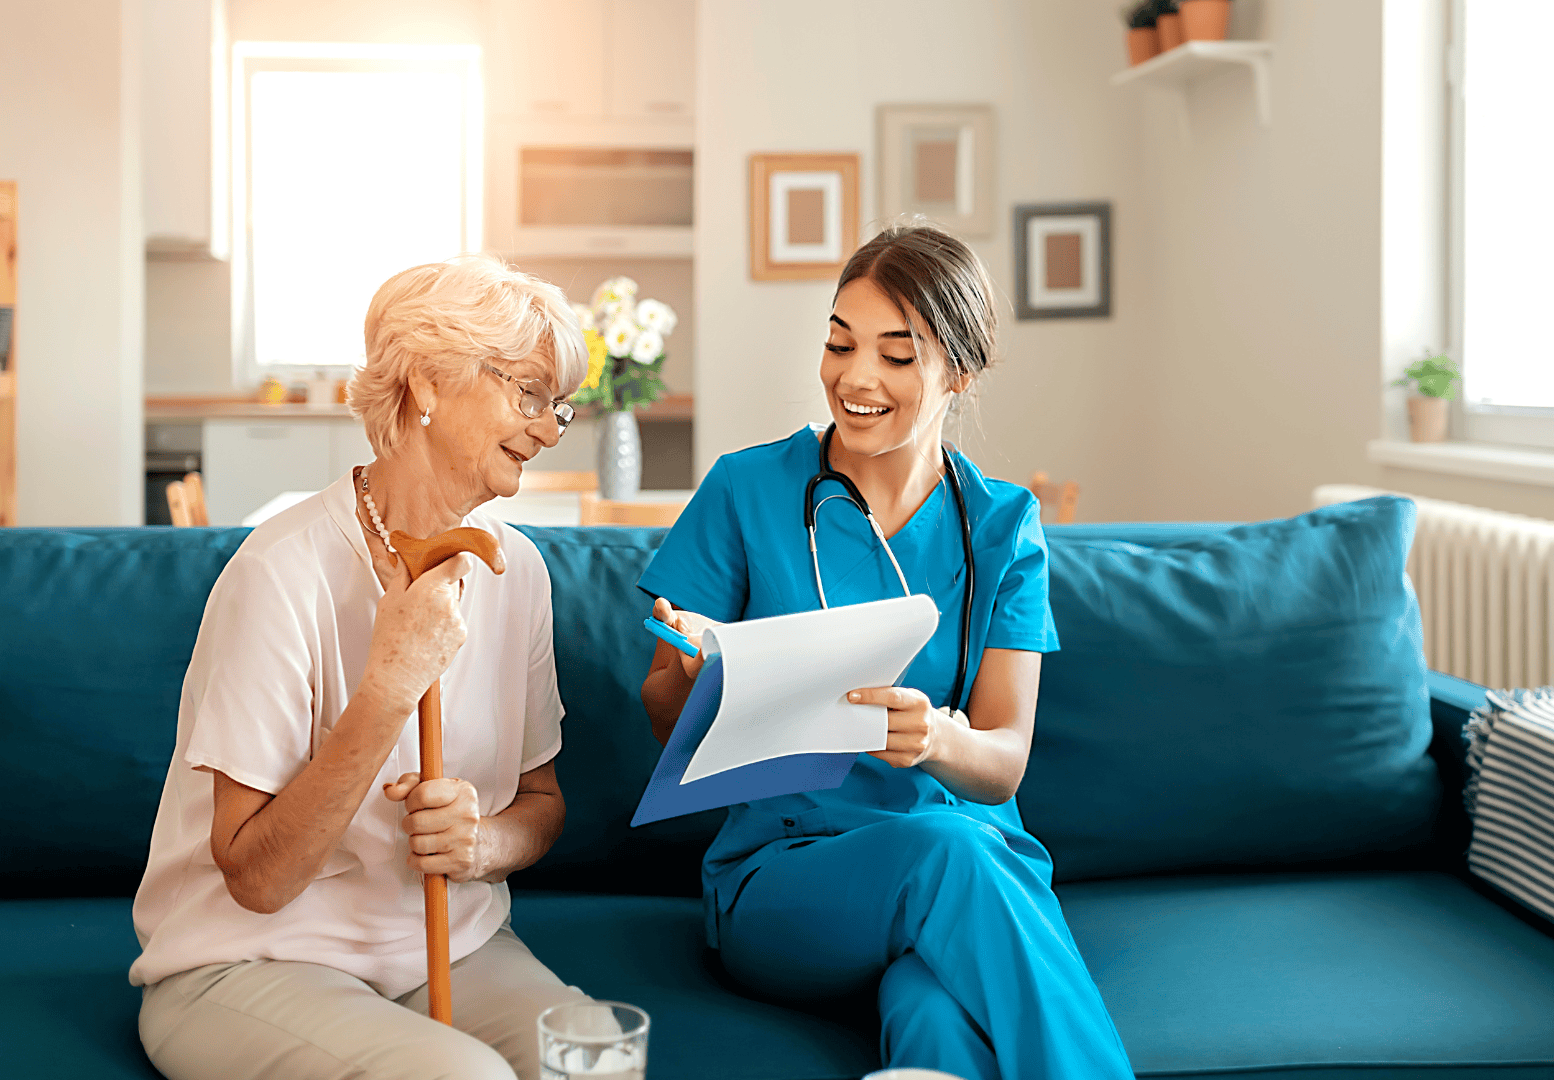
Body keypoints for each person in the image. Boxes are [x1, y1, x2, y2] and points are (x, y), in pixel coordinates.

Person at [637, 225, 1136, 1080]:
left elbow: (1003, 762)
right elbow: (660, 715)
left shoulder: (1003, 526)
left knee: (936, 1017)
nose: (855, 378)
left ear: (958, 374)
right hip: (787, 879)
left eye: (897, 356)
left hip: (967, 868)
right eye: (839, 343)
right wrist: (694, 681)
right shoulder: (745, 490)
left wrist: (936, 739)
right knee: (949, 852)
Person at [131, 256, 592, 1080]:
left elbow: (542, 803)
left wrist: (482, 845)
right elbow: (257, 879)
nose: (550, 428)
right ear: (426, 383)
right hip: (252, 958)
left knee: (591, 1058)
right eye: (526, 393)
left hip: (445, 946)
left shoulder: (516, 571)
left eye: (557, 404)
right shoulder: (282, 571)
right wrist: (389, 687)